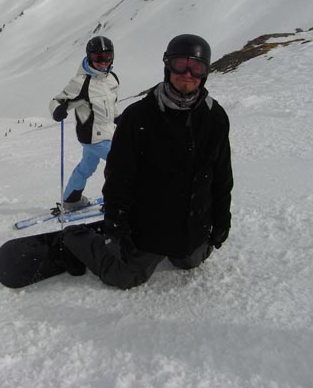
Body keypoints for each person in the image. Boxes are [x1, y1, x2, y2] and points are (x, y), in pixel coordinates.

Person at [54, 34, 234, 289]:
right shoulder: (139, 117)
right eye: (180, 64)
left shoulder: (215, 117)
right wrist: (117, 223)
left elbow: (221, 176)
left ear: (205, 72)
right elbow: (119, 177)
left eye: (197, 67)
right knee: (125, 276)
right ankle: (76, 237)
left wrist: (221, 222)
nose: (188, 73)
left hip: (192, 225)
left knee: (191, 261)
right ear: (168, 66)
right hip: (148, 226)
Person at [49, 35, 120, 211]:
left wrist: (119, 119)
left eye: (107, 57)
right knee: (120, 163)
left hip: (106, 132)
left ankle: (71, 200)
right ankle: (115, 201)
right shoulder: (81, 82)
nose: (103, 62)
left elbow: (111, 105)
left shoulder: (111, 79)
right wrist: (58, 110)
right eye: (98, 58)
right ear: (89, 57)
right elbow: (57, 101)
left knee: (86, 168)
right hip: (92, 137)